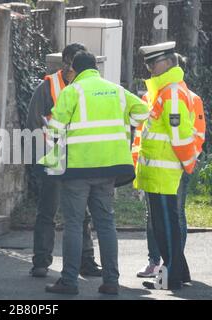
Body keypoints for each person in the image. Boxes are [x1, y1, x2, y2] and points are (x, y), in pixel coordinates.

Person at [43, 51, 149, 295]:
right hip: (109, 167)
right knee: (106, 224)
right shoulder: (116, 90)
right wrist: (125, 122)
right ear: (95, 69)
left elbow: (55, 130)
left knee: (73, 224)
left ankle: (69, 281)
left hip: (78, 169)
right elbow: (143, 112)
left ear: (75, 70)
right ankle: (111, 280)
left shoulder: (72, 91)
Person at [26, 43, 102, 278]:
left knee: (83, 213)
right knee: (48, 211)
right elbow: (34, 124)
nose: (73, 68)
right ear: (65, 62)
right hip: (55, 158)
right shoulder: (48, 86)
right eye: (71, 63)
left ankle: (86, 261)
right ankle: (41, 261)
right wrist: (39, 162)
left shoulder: (88, 86)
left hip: (81, 158)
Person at [134, 53, 206, 278]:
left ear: (165, 64)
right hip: (159, 173)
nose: (148, 68)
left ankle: (172, 276)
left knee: (167, 226)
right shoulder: (163, 92)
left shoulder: (172, 93)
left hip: (167, 172)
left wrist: (188, 164)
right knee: (166, 225)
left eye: (151, 64)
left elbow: (183, 136)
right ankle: (177, 273)